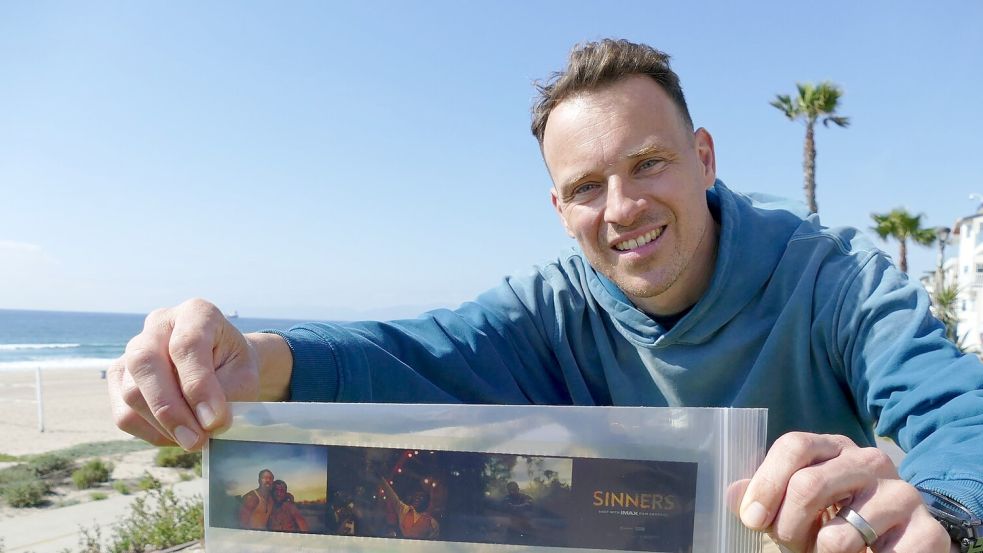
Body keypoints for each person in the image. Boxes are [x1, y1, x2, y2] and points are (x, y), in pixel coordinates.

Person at [107, 39, 983, 552]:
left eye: (648, 164)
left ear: (705, 158)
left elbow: (960, 412)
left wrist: (936, 506)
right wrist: (252, 360)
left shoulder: (833, 277)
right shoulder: (548, 309)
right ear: (558, 209)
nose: (623, 208)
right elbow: (411, 354)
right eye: (586, 186)